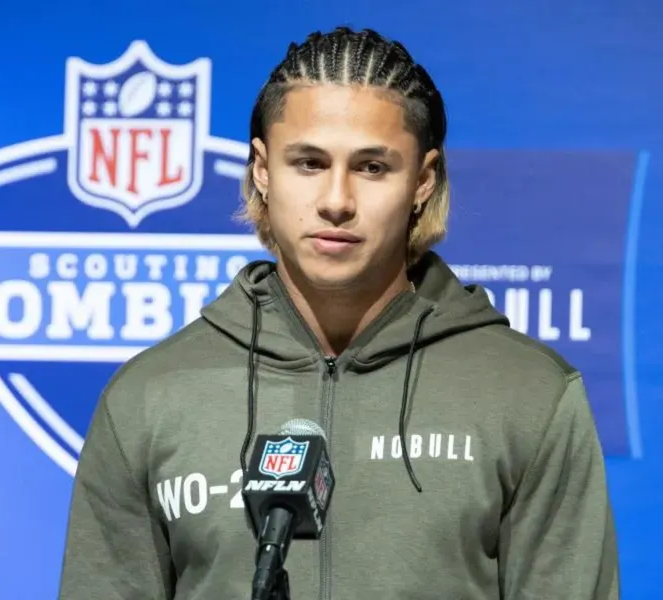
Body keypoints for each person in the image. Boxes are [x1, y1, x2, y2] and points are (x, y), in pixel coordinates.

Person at [58, 26, 620, 600]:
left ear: (423, 181)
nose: (336, 201)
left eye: (372, 167)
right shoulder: (150, 396)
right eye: (308, 162)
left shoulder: (528, 394)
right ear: (262, 170)